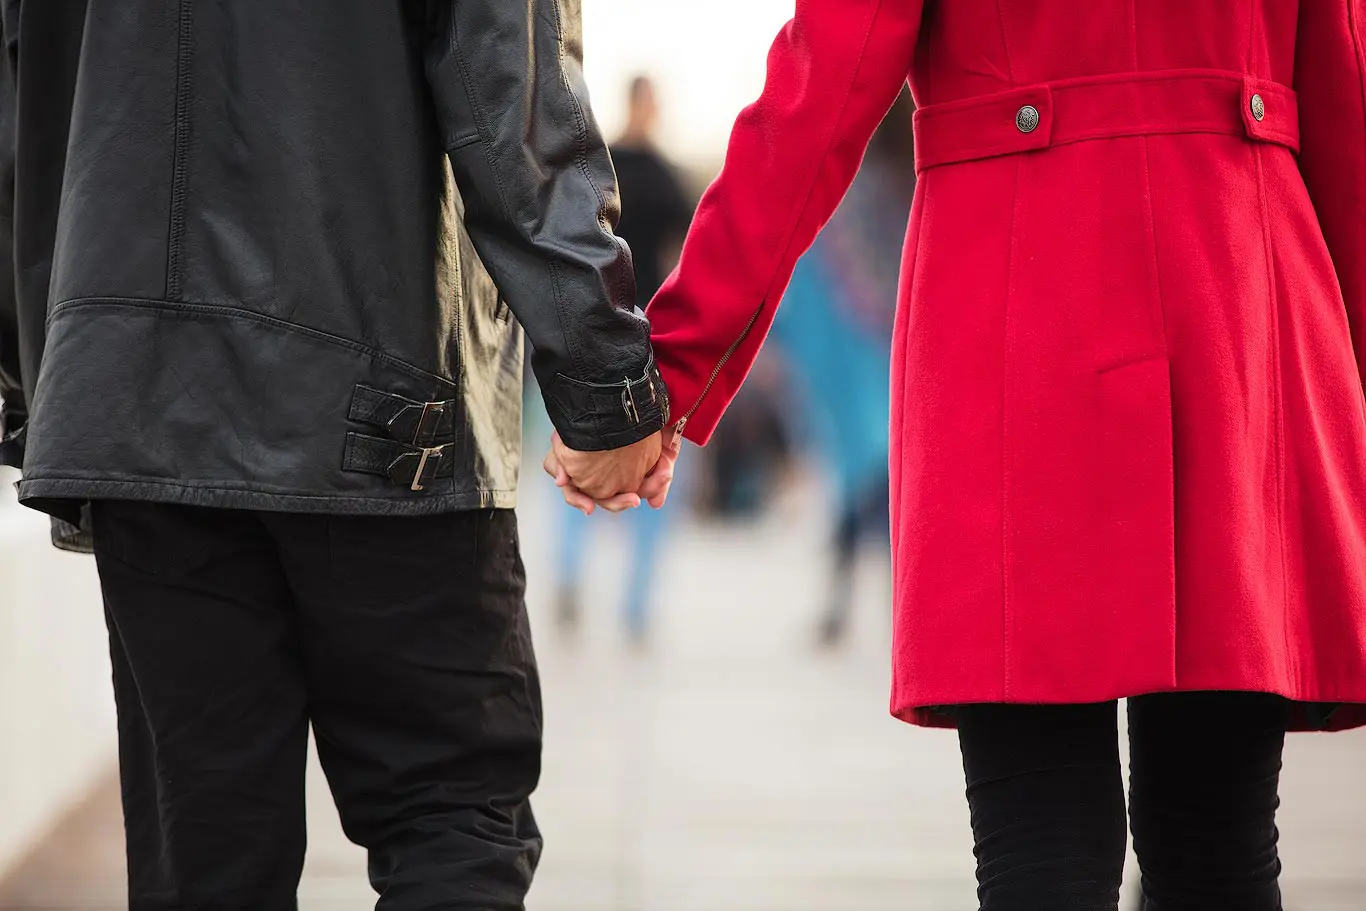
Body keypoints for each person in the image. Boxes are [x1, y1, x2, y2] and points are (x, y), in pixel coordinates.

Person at [549, 2, 1366, 908]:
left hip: (1022, 311)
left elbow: (819, 93)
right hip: (1239, 300)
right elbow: (1346, 107)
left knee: (1041, 853)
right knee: (1222, 840)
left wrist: (666, 372)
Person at [0, 2, 667, 909]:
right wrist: (604, 383)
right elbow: (508, 85)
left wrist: (42, 372)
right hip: (386, 388)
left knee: (207, 856)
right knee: (450, 818)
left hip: (131, 379)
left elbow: (19, 89)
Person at [770, 89, 914, 645]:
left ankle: (852, 606)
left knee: (863, 485)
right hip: (896, 353)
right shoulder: (912, 181)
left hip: (865, 358)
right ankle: (890, 607)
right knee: (885, 486)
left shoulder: (854, 189)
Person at [554, 76, 691, 642]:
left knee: (584, 455)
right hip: (639, 329)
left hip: (605, 326)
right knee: (642, 473)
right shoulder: (653, 174)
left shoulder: (602, 168)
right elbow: (679, 255)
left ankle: (602, 592)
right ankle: (623, 602)